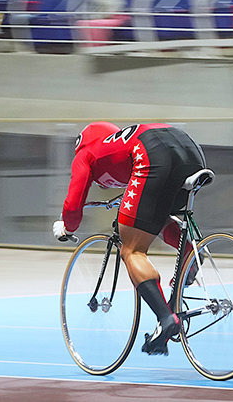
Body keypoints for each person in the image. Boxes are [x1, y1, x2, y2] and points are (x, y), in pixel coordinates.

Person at [53, 122, 207, 356]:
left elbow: (74, 205)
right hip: (190, 149)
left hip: (152, 153)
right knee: (160, 219)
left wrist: (66, 225)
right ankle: (190, 253)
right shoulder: (117, 142)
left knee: (132, 250)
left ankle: (166, 319)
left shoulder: (86, 152)